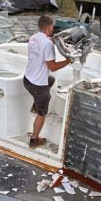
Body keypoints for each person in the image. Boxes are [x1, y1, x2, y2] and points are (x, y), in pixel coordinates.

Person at [23, 15, 71, 148]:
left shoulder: (34, 38)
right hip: (37, 85)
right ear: (50, 27)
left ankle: (36, 104)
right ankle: (34, 139)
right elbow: (53, 67)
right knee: (42, 112)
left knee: (50, 79)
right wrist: (69, 61)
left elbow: (43, 44)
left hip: (27, 79)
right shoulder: (47, 44)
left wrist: (53, 41)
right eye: (52, 26)